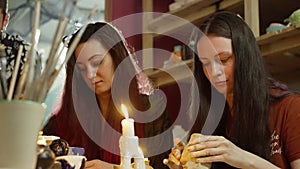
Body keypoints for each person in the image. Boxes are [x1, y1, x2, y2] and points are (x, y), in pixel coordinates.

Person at [164, 11, 300, 169]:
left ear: (245, 57)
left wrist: (243, 159)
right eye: (206, 63)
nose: (214, 72)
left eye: (223, 59)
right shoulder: (209, 115)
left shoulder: (290, 108)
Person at [43, 22, 173, 169]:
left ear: (117, 58)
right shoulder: (61, 121)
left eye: (97, 63)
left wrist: (113, 168)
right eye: (81, 69)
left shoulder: (151, 111)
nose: (90, 75)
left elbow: (163, 166)